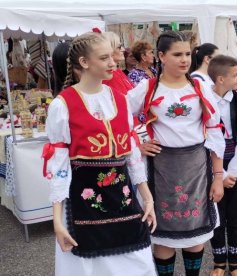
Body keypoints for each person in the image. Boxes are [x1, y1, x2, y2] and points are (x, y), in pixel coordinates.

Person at [43, 32, 157, 276]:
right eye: (104, 58)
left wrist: (147, 197)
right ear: (84, 63)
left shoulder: (120, 99)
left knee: (138, 262)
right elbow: (59, 166)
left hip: (123, 198)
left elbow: (131, 153)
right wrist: (56, 219)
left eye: (113, 56)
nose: (113, 63)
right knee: (88, 267)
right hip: (83, 203)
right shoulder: (62, 105)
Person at [127, 30, 225, 276]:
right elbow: (119, 118)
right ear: (161, 56)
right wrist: (138, 142)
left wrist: (218, 177)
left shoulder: (200, 86)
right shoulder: (148, 87)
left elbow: (214, 130)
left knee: (196, 233)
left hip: (196, 167)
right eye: (177, 54)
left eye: (188, 54)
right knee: (163, 237)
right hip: (161, 168)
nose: (184, 59)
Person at [207, 55, 237, 276]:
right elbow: (203, 138)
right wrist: (220, 175)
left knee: (235, 216)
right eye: (235, 76)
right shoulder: (204, 100)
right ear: (221, 78)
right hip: (212, 166)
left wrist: (232, 173)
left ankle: (235, 263)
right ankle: (218, 262)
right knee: (216, 216)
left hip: (236, 164)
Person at [101, 31, 134, 95]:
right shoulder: (109, 76)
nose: (123, 49)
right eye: (119, 47)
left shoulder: (117, 71)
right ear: (110, 50)